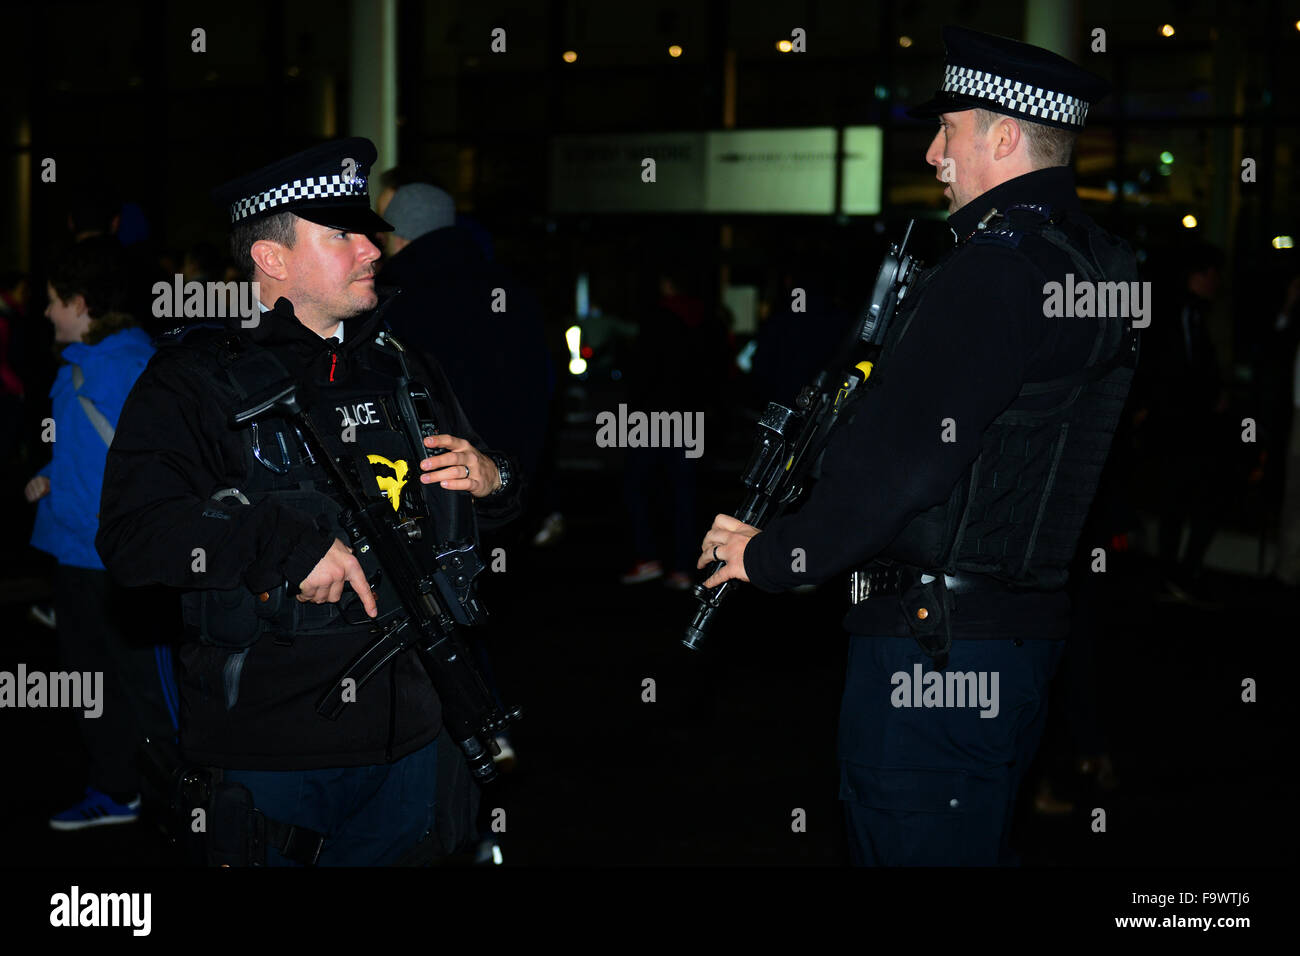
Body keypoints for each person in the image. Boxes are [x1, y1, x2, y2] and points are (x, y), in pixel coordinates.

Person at [697, 26, 1138, 865]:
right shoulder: (1100, 264)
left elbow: (907, 461)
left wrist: (781, 555)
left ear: (1005, 137)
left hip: (932, 650)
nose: (935, 153)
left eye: (951, 129)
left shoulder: (992, 270)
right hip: (1015, 637)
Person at [96, 138, 522, 866]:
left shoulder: (399, 365)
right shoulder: (193, 381)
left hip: (418, 734)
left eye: (367, 230)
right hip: (276, 753)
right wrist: (280, 545)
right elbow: (134, 535)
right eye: (342, 234)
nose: (372, 248)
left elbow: (489, 509)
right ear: (272, 258)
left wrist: (494, 480)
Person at [24, 238, 177, 829]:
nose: (44, 312)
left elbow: (158, 459)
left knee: (150, 688)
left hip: (123, 563)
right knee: (90, 684)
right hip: (73, 556)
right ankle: (116, 790)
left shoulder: (132, 368)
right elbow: (88, 452)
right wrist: (46, 476)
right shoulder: (80, 366)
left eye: (53, 301)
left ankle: (187, 802)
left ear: (81, 304)